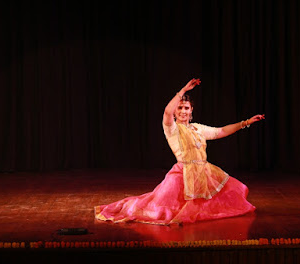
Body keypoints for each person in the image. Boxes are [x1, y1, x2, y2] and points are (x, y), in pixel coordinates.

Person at [95, 78, 265, 225]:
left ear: (191, 111)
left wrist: (246, 122)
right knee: (163, 210)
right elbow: (167, 112)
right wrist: (183, 90)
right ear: (176, 111)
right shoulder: (172, 129)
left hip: (203, 173)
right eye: (180, 108)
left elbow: (221, 131)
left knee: (230, 193)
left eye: (186, 108)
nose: (183, 111)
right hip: (182, 174)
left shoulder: (197, 128)